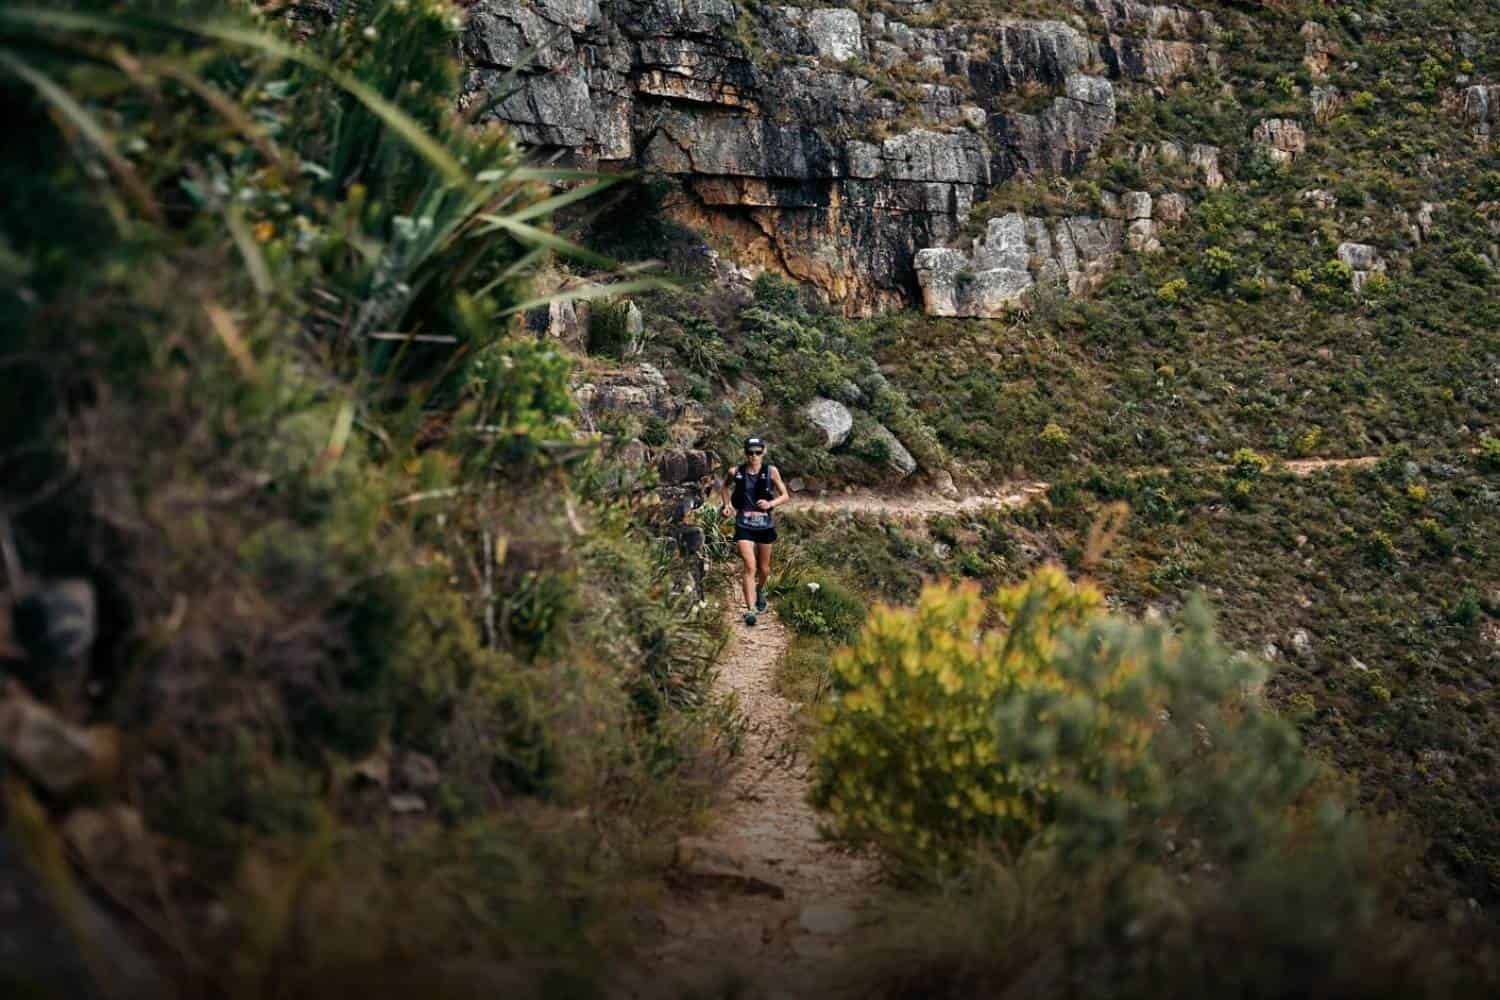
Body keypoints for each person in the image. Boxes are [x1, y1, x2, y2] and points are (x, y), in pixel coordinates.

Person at [720, 437, 789, 626]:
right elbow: (724, 487)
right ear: (745, 453)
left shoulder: (771, 471)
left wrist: (770, 503)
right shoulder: (735, 472)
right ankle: (750, 610)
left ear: (763, 452)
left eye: (758, 452)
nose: (754, 456)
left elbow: (785, 495)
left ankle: (760, 591)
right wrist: (726, 506)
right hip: (743, 524)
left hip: (765, 525)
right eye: (750, 452)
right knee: (750, 566)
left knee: (764, 570)